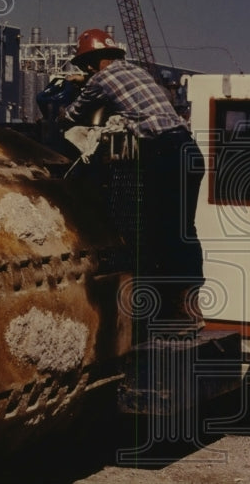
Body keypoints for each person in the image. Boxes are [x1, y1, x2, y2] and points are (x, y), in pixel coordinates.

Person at [60, 28, 205, 331]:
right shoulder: (137, 71)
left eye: (86, 65)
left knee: (153, 230)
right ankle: (187, 306)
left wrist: (68, 96)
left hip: (164, 152)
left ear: (93, 62)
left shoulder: (98, 80)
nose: (86, 70)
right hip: (188, 150)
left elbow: (71, 116)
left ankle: (160, 310)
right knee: (183, 229)